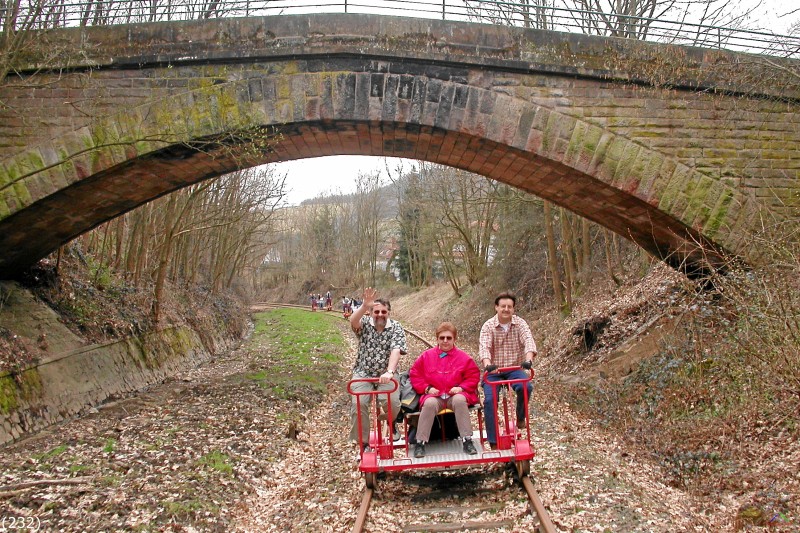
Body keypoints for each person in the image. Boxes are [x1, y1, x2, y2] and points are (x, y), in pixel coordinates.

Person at [409, 322, 480, 458]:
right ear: (437, 339)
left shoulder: (464, 358)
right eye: (442, 338)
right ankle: (420, 443)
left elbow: (473, 376)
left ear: (454, 339)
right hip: (435, 396)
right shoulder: (426, 356)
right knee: (429, 404)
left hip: (455, 395)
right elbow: (415, 374)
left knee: (460, 400)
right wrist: (427, 388)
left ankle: (467, 440)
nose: (445, 341)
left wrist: (461, 387)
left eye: (449, 338)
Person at [349, 287, 407, 449]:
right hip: (363, 372)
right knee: (358, 404)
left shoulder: (396, 327)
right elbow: (353, 321)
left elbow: (396, 350)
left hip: (386, 374)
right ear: (371, 313)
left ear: (389, 313)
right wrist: (364, 306)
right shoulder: (365, 324)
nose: (380, 315)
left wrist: (389, 372)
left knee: (393, 403)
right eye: (376, 312)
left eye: (383, 312)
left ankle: (392, 421)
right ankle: (364, 442)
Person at [479, 292, 537, 449]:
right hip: (494, 370)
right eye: (503, 306)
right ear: (496, 307)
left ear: (513, 309)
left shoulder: (520, 323)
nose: (506, 309)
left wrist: (528, 360)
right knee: (490, 400)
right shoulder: (488, 326)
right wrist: (487, 364)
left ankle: (520, 417)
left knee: (526, 387)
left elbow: (528, 341)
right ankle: (493, 441)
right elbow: (485, 347)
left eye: (509, 307)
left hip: (514, 368)